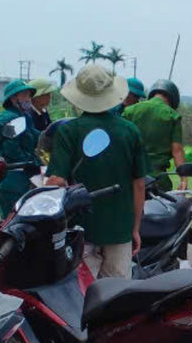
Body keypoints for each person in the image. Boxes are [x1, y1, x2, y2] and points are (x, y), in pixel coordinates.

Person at [46, 65, 150, 279]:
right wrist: (135, 228)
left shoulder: (68, 131)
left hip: (80, 231)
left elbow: (56, 182)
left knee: (81, 297)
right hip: (120, 230)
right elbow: (139, 184)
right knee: (116, 298)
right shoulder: (130, 131)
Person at [0, 79, 42, 218]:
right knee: (10, 221)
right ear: (13, 98)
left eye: (29, 95)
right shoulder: (10, 118)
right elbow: (12, 151)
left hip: (21, 176)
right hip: (10, 177)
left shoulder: (25, 117)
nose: (28, 99)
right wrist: (31, 161)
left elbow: (37, 136)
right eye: (24, 95)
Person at [123, 80, 186, 191]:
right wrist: (183, 180)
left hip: (129, 178)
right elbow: (177, 150)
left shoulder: (129, 111)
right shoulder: (173, 116)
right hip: (158, 181)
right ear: (173, 99)